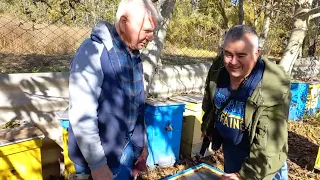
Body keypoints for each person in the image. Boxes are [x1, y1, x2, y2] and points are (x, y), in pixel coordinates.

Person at [68, 1, 161, 179]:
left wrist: (143, 144)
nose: (151, 37)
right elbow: (82, 115)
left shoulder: (133, 55)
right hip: (99, 161)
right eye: (147, 30)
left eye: (153, 32)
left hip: (125, 153)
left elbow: (137, 105)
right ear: (124, 22)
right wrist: (97, 165)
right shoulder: (92, 52)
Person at [201, 25, 291, 180]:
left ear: (257, 54)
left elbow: (269, 147)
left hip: (263, 166)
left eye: (241, 56)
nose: (232, 62)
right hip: (232, 153)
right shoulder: (218, 68)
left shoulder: (272, 86)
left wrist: (244, 176)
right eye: (228, 54)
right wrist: (207, 127)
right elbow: (210, 100)